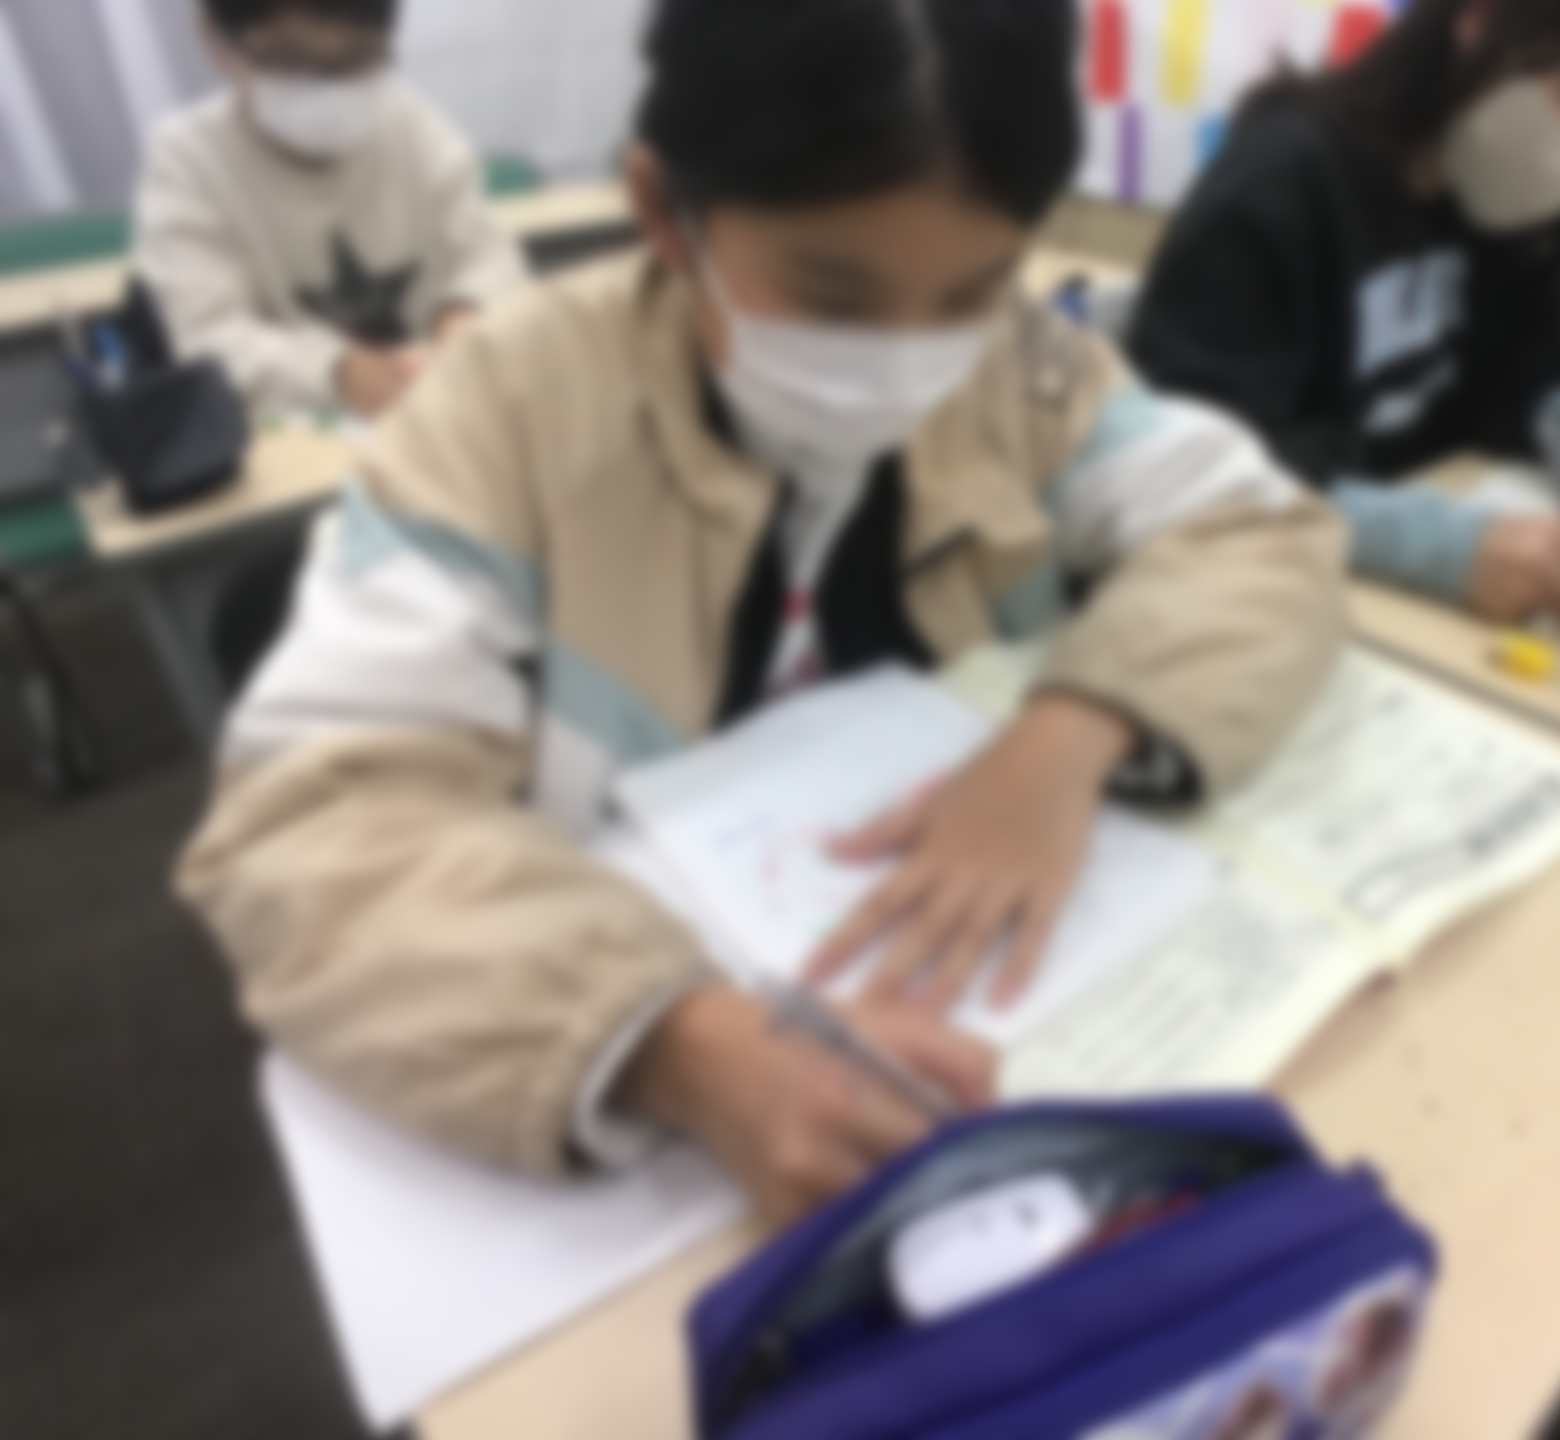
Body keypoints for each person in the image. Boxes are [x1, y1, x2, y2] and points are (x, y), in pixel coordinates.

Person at [176, 0, 1347, 1224]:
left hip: (1000, 1035)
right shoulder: (506, 409)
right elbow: (312, 827)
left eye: (974, 289)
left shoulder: (1022, 367)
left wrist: (1068, 734)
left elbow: (1254, 530)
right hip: (657, 1091)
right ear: (663, 212)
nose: (910, 358)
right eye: (833, 298)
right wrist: (671, 1043)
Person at [1128, 0, 1560, 626]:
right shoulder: (1284, 181)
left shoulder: (1487, 200)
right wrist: (1436, 546)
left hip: (1385, 605)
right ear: (1481, 17)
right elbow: (1181, 471)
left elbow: (1528, 356)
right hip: (1252, 599)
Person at [134, 0, 527, 419]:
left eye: (357, 58)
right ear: (216, 39)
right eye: (290, 61)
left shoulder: (413, 127)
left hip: (432, 416)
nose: (328, 88)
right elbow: (209, 337)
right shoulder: (189, 160)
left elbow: (491, 259)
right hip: (289, 428)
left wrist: (463, 315)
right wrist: (337, 371)